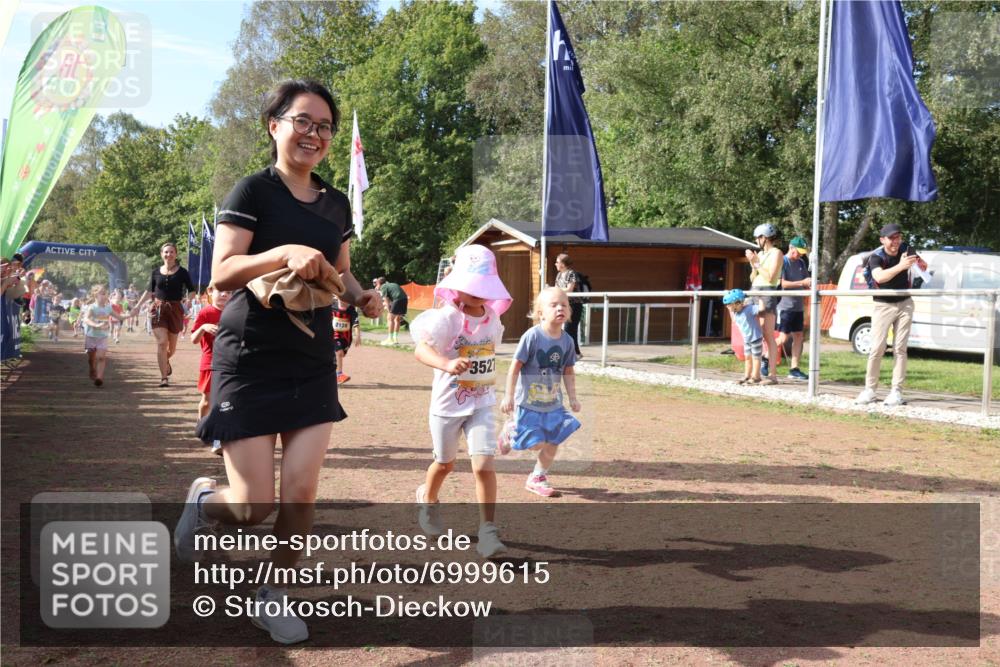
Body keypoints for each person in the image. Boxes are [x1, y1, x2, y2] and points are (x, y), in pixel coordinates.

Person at [175, 79, 382, 645]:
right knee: (252, 506)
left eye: (324, 126)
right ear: (275, 126)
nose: (314, 134)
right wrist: (284, 251)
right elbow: (221, 272)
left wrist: (360, 296)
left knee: (302, 492)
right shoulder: (253, 192)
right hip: (249, 356)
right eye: (303, 121)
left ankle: (275, 594)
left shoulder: (335, 203)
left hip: (311, 360)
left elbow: (339, 272)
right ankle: (202, 501)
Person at [410, 245, 512, 558]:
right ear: (458, 284)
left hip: (481, 403)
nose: (479, 294)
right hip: (447, 406)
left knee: (483, 464)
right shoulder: (446, 319)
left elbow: (489, 353)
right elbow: (420, 350)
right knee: (445, 463)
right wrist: (446, 363)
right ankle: (428, 500)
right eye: (472, 287)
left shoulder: (492, 318)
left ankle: (488, 532)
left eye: (485, 287)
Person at [500, 287, 582, 498]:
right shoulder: (532, 336)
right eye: (553, 305)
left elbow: (568, 371)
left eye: (564, 305)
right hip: (528, 404)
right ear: (540, 312)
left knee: (555, 439)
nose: (559, 308)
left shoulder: (568, 341)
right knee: (536, 444)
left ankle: (538, 476)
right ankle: (511, 431)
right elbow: (515, 367)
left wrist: (572, 397)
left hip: (553, 403)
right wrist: (508, 396)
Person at [855, 223, 927, 407]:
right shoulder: (876, 257)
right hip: (883, 304)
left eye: (898, 237)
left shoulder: (907, 249)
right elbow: (879, 277)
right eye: (891, 238)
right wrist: (902, 265)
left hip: (905, 302)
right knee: (877, 348)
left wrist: (919, 264)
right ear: (882, 240)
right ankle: (870, 390)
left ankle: (896, 391)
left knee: (900, 348)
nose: (896, 241)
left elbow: (924, 270)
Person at [135, 242, 195, 387]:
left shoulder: (182, 272)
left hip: (175, 309)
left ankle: (165, 360)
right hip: (158, 309)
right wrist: (137, 306)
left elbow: (191, 290)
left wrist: (189, 301)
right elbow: (149, 291)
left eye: (171, 252)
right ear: (162, 254)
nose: (168, 254)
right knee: (162, 343)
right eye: (166, 252)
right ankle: (164, 378)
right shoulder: (155, 272)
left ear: (176, 254)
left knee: (171, 348)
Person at [745, 223, 783, 385]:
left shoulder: (777, 253)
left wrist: (757, 263)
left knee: (768, 335)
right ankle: (755, 374)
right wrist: (752, 263)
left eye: (757, 238)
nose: (756, 241)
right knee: (755, 334)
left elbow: (770, 277)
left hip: (767, 292)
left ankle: (772, 375)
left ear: (764, 238)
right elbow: (753, 278)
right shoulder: (760, 254)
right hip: (755, 291)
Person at [191, 283, 232, 422]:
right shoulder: (205, 313)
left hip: (229, 364)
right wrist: (203, 327)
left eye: (228, 292)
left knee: (225, 401)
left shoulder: (234, 313)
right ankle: (201, 423)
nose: (224, 294)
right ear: (210, 292)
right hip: (210, 363)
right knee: (208, 400)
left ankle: (217, 434)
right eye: (220, 291)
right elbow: (193, 340)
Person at [777, 236, 812, 381]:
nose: (800, 255)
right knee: (783, 337)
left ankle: (794, 368)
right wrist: (802, 283)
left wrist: (810, 284)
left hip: (798, 306)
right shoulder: (783, 262)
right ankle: (764, 359)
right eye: (798, 251)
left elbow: (805, 282)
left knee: (799, 336)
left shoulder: (801, 263)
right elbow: (783, 284)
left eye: (802, 252)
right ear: (791, 247)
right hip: (784, 305)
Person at [82, 284, 124, 387]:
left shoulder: (108, 308)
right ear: (95, 295)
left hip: (102, 337)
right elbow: (86, 319)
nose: (104, 295)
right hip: (91, 336)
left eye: (105, 293)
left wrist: (131, 314)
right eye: (102, 293)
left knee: (101, 357)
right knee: (91, 358)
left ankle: (99, 378)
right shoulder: (92, 307)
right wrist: (96, 325)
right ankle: (92, 368)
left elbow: (119, 317)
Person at [723, 288, 764, 385]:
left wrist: (761, 297)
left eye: (729, 305)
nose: (728, 307)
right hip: (747, 339)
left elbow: (761, 309)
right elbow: (733, 319)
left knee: (756, 357)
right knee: (747, 357)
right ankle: (747, 375)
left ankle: (756, 376)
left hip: (755, 338)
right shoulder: (735, 313)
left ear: (737, 303)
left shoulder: (749, 309)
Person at [554, 253, 583, 357]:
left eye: (557, 262)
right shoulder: (558, 275)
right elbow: (557, 290)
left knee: (570, 328)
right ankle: (575, 352)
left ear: (562, 264)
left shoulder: (571, 273)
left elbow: (569, 289)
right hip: (564, 305)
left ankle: (574, 353)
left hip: (574, 305)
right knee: (566, 329)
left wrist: (554, 290)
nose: (555, 264)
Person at [331, 294, 360, 383]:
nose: (344, 301)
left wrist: (357, 335)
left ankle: (332, 373)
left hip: (346, 338)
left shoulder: (351, 310)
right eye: (342, 298)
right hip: (334, 335)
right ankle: (339, 375)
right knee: (339, 353)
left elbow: (356, 323)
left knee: (341, 355)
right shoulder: (331, 306)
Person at [375, 276, 407, 345]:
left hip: (398, 299)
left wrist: (389, 310)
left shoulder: (383, 287)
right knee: (397, 319)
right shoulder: (390, 284)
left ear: (379, 283)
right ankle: (395, 339)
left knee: (389, 318)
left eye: (376, 284)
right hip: (404, 299)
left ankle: (390, 339)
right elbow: (391, 298)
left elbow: (386, 300)